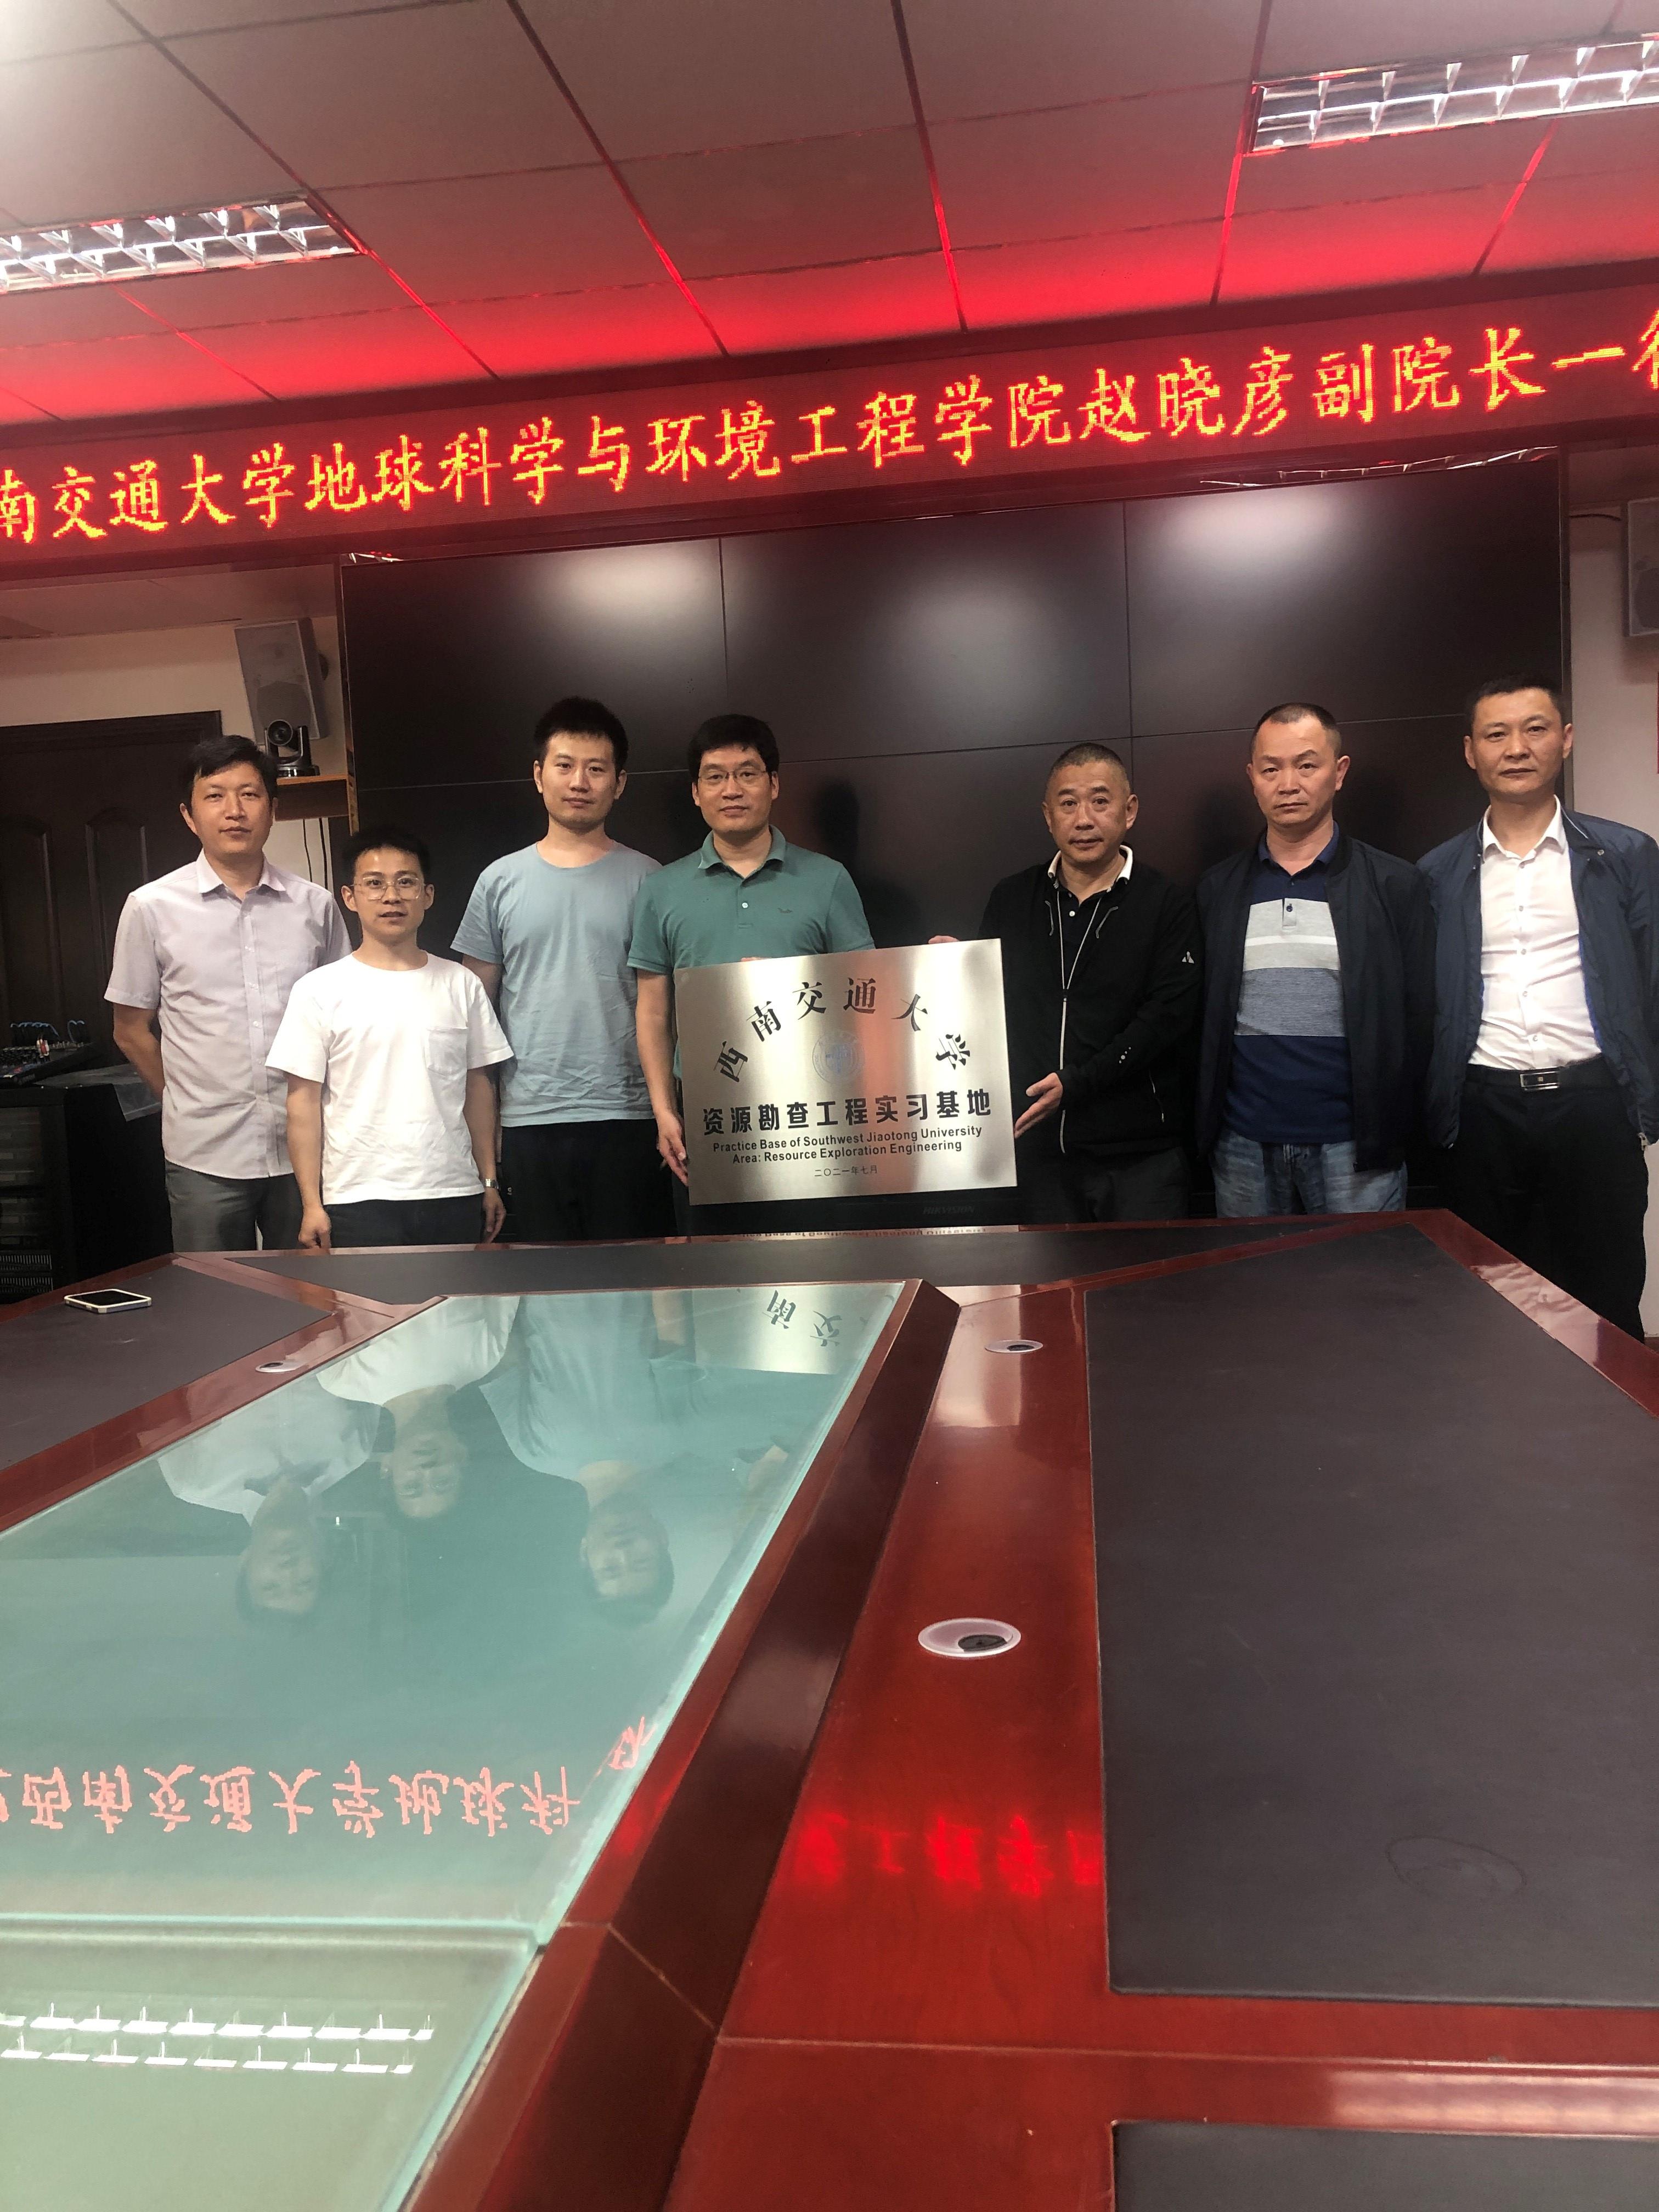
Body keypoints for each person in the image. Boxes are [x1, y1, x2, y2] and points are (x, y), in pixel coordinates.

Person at [1420, 676, 1659, 1340]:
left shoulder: (1625, 856)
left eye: (1535, 729)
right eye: (1496, 734)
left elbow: (1653, 984)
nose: (1516, 748)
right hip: (1482, 1112)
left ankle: (1613, 1412)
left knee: (1607, 1297)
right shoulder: (1437, 873)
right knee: (1489, 1303)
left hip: (1594, 1105)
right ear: (1471, 751)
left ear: (1566, 739)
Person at [106, 732, 348, 1251]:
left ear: (274, 810)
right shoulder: (150, 908)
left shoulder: (316, 906)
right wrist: (182, 1099)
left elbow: (343, 1018)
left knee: (313, 1290)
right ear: (189, 816)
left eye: (250, 794)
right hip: (204, 1154)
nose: (234, 811)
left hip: (306, 1150)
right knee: (213, 1294)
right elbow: (130, 1030)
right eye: (214, 796)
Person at [1197, 702, 1435, 1216]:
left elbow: (1420, 1021)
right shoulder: (1218, 890)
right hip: (1243, 1144)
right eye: (1271, 769)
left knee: (1361, 1271)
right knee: (1251, 1272)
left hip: (1357, 1146)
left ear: (1339, 772)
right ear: (1252, 778)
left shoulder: (1395, 884)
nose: (1289, 784)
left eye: (1306, 765)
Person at [454, 695, 670, 1242]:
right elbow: (474, 1019)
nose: (579, 782)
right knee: (544, 1284)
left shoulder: (651, 880)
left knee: (632, 1278)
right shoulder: (498, 881)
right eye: (565, 765)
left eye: (596, 769)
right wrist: (486, 1137)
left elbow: (665, 1010)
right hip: (528, 1119)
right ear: (538, 775)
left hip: (629, 1117)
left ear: (619, 783)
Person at [629, 712, 873, 1186]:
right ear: (696, 792)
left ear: (773, 784)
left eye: (747, 773)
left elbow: (864, 995)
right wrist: (664, 1110)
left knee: (812, 1233)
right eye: (715, 777)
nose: (732, 790)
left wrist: (789, 983)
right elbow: (654, 1012)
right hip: (704, 1105)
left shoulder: (827, 879)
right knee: (713, 1235)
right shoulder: (661, 890)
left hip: (814, 1098)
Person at [979, 743, 1200, 1222]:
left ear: (1129, 810)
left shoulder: (1167, 903)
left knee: (1151, 1274)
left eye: (1100, 801)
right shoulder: (1012, 898)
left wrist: (1077, 1083)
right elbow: (985, 1009)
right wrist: (955, 969)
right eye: (1068, 803)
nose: (1084, 819)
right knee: (1046, 1275)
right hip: (1038, 1154)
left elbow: (1165, 1019)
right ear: (1048, 816)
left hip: (1140, 1157)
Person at [266, 825, 512, 1250]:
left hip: (452, 1192)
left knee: (459, 1297)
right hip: (356, 1198)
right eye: (375, 884)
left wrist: (488, 1180)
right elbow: (302, 1103)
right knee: (366, 1299)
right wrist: (311, 1203)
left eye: (406, 882)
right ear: (350, 897)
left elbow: (478, 1089)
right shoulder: (318, 990)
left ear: (428, 895)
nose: (392, 897)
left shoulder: (461, 984)